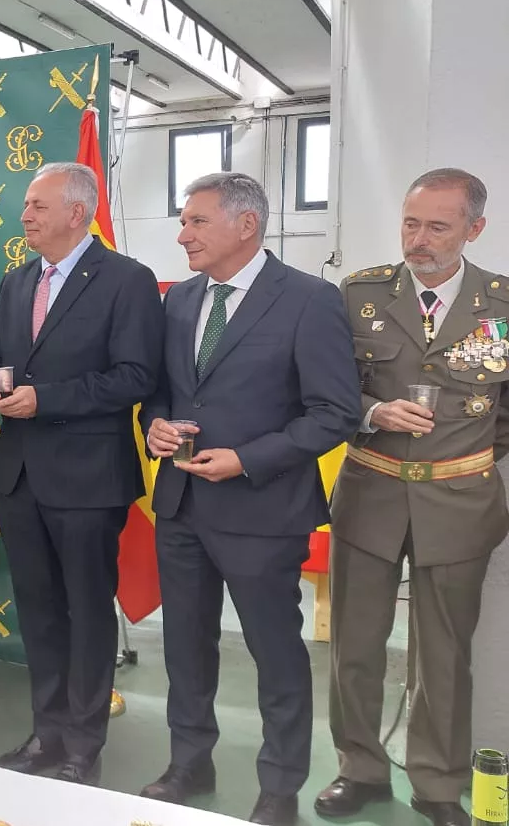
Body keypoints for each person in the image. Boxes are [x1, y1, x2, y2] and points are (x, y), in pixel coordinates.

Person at [139, 173, 360, 826]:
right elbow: (162, 390)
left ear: (245, 225)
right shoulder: (178, 299)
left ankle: (280, 784)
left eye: (197, 221)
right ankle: (189, 760)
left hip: (263, 512)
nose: (182, 234)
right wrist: (156, 422)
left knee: (274, 650)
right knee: (185, 644)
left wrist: (247, 458)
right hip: (181, 505)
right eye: (184, 221)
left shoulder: (309, 300)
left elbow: (335, 413)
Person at [316, 168, 508, 826]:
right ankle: (360, 767)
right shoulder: (359, 294)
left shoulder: (503, 305)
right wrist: (373, 413)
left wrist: (460, 456)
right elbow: (329, 392)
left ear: (474, 229)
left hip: (459, 503)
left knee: (445, 654)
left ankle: (437, 782)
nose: (418, 239)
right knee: (356, 645)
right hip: (370, 493)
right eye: (410, 222)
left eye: (437, 226)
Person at [0, 163, 164, 784]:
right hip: (22, 474)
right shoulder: (15, 280)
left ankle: (83, 744)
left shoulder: (126, 281)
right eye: (25, 205)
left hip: (88, 478)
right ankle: (46, 732)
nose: (23, 215)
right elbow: (1, 356)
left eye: (36, 205)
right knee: (38, 610)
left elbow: (136, 376)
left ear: (78, 212)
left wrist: (44, 398)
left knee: (85, 610)